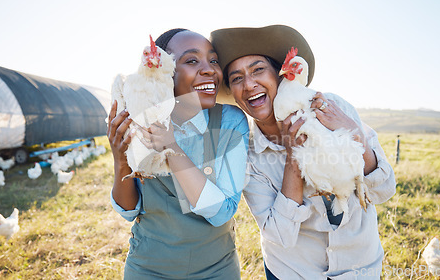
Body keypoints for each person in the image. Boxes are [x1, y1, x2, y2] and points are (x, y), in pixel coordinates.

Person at [211, 25, 396, 279]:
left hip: (360, 268)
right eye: (237, 78)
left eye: (258, 70)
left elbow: (383, 190)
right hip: (294, 272)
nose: (250, 84)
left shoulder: (331, 107)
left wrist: (352, 131)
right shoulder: (249, 154)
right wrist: (293, 157)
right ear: (232, 91)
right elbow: (280, 236)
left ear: (280, 75)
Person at [108, 28, 249, 279]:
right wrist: (121, 161)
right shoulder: (139, 117)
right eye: (192, 60)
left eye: (214, 60)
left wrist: (172, 148)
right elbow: (129, 210)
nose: (209, 69)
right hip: (149, 269)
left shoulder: (230, 122)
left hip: (216, 268)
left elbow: (223, 213)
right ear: (165, 72)